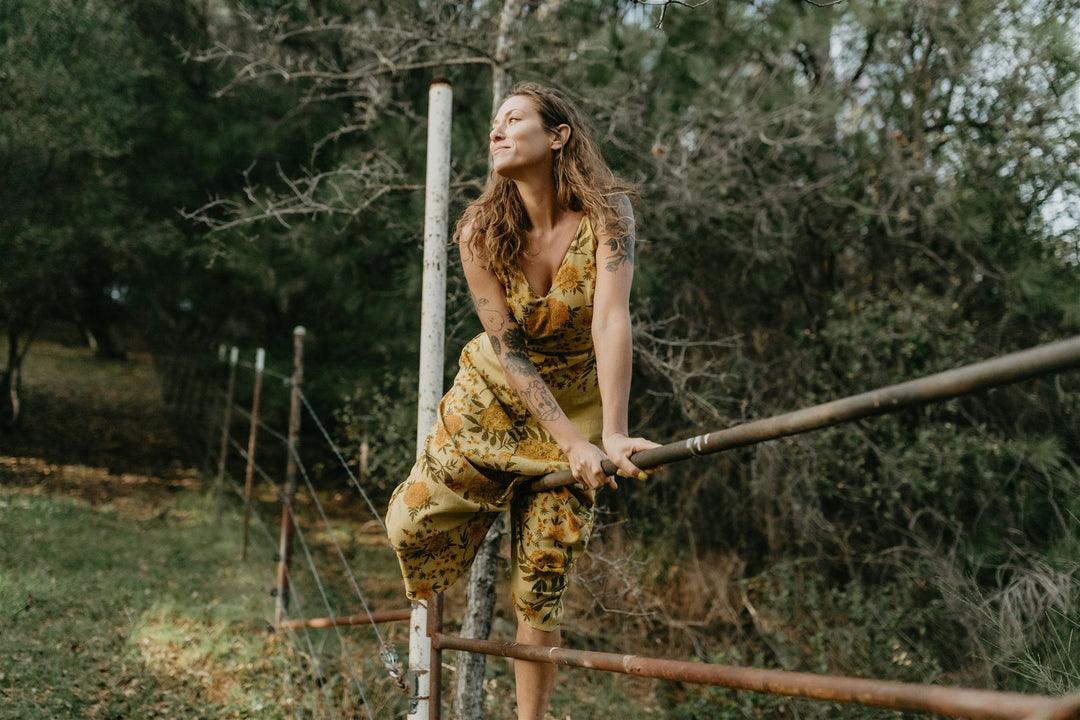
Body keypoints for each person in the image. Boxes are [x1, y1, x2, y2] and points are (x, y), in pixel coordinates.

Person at [386, 82, 658, 720]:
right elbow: (509, 350)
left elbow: (611, 322)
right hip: (496, 399)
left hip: (582, 401)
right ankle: (421, 675)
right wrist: (566, 441)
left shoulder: (610, 217)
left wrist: (611, 435)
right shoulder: (480, 230)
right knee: (410, 523)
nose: (496, 132)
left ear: (558, 135)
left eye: (514, 119)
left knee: (543, 570)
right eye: (492, 125)